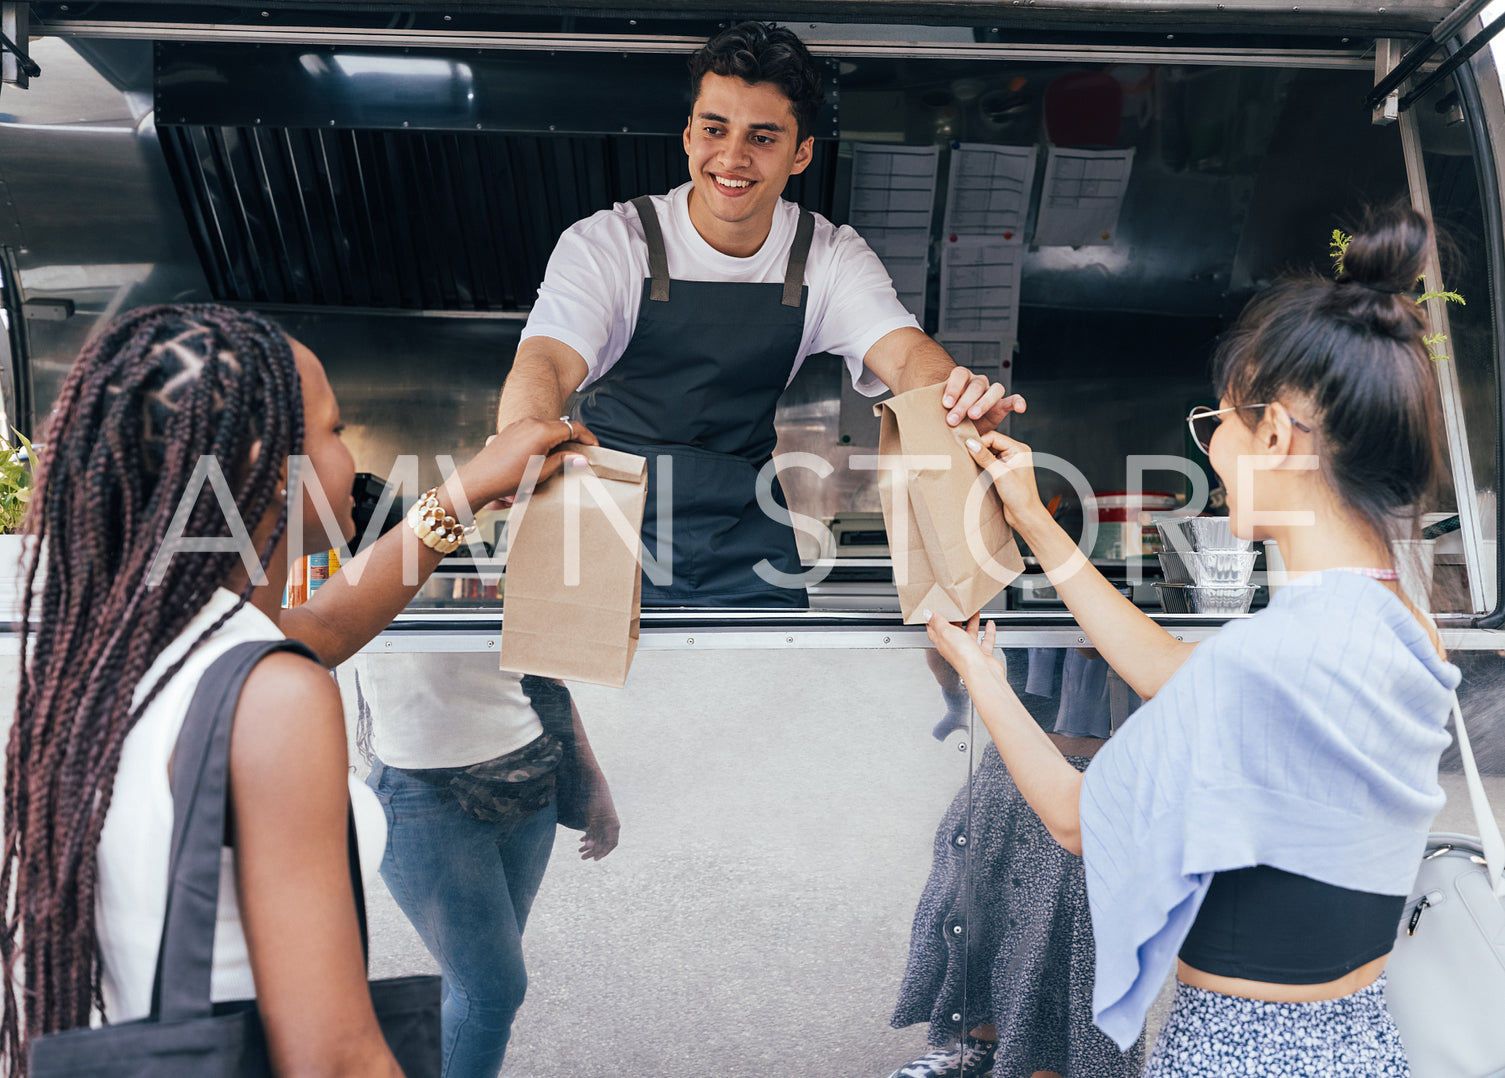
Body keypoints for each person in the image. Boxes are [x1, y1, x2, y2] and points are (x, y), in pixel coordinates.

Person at [926, 206, 1458, 1077]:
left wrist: (978, 672)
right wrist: (1035, 525)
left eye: (1218, 424)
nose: (1211, 449)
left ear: (1276, 434)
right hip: (1359, 1036)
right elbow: (1179, 673)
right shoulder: (1398, 617)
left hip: (1246, 1049)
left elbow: (1073, 818)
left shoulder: (1271, 657)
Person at [0, 304, 583, 1076]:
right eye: (336, 432)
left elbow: (327, 623)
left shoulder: (145, 650)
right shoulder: (272, 696)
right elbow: (335, 1060)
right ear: (262, 464)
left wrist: (467, 491)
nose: (355, 458)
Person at [497, 20, 1024, 607]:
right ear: (688, 135)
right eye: (714, 129)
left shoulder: (826, 256)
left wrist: (950, 393)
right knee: (587, 701)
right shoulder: (611, 244)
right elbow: (545, 359)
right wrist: (520, 437)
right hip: (598, 526)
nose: (732, 157)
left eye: (763, 137)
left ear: (800, 155)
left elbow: (904, 354)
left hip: (743, 539)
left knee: (767, 697)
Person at [357, 657, 620, 1078]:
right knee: (490, 993)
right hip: (425, 798)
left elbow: (545, 672)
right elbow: (316, 640)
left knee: (471, 983)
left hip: (530, 778)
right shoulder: (369, 586)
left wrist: (593, 780)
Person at [888, 651, 1145, 1078]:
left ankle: (1050, 1066)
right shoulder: (1018, 583)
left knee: (1073, 940)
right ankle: (981, 1042)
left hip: (1105, 777)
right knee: (977, 911)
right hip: (1012, 766)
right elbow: (951, 659)